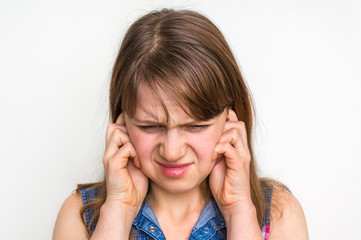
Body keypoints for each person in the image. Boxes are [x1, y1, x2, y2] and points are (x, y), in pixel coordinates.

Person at [53, 9, 308, 240]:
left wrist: (238, 209)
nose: (172, 152)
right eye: (149, 127)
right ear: (122, 124)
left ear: (230, 120)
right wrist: (118, 210)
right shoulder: (79, 216)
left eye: (196, 126)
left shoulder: (279, 215)